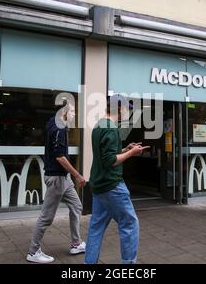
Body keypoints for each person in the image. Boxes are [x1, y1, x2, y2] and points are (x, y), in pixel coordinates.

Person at [84, 94, 149, 264]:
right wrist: (132, 153)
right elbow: (110, 161)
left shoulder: (99, 125)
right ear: (119, 109)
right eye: (127, 109)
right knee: (130, 225)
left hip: (98, 185)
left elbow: (107, 154)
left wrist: (125, 148)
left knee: (96, 227)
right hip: (112, 186)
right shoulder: (111, 128)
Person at [27, 102, 87, 264]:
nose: (74, 115)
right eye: (72, 111)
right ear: (64, 112)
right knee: (46, 217)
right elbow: (60, 157)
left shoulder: (52, 123)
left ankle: (76, 243)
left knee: (76, 206)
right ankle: (33, 252)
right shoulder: (59, 129)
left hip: (62, 178)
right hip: (57, 178)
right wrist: (78, 175)